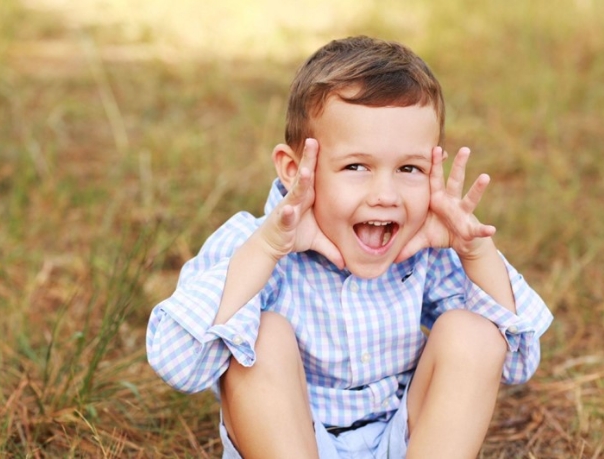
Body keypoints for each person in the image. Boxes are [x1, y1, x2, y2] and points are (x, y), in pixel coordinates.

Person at [146, 36, 553, 458]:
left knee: (473, 333)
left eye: (409, 168)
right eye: (356, 166)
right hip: (294, 441)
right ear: (294, 169)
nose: (386, 194)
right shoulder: (252, 243)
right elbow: (181, 365)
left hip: (405, 439)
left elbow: (514, 363)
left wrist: (475, 254)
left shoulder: (427, 248)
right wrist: (268, 250)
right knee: (262, 338)